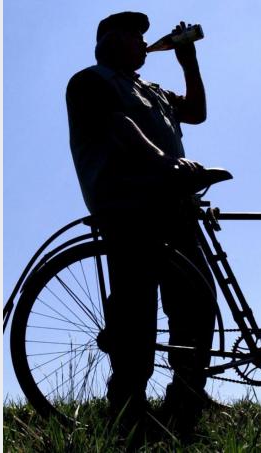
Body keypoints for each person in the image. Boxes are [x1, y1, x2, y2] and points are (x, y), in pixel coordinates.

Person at [65, 11, 217, 438]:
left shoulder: (150, 88)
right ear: (108, 42)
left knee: (197, 305)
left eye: (142, 36)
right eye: (132, 34)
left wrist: (188, 62)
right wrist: (166, 162)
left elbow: (197, 112)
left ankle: (184, 406)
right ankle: (128, 413)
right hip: (129, 207)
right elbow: (119, 126)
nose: (141, 41)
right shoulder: (91, 81)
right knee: (136, 311)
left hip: (174, 206)